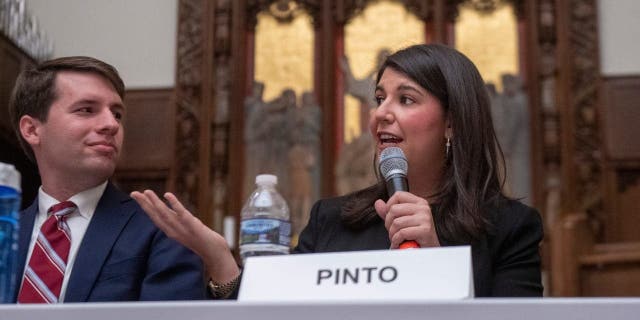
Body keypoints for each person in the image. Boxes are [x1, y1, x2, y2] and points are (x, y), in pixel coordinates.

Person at [131, 44, 543, 298]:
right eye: (379, 98)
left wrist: (434, 260)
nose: (381, 113)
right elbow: (269, 311)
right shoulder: (332, 220)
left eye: (406, 100)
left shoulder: (510, 229)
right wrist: (220, 258)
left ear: (453, 121)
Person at [8, 56, 205, 303]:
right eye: (86, 110)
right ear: (32, 130)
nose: (111, 124)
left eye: (117, 114)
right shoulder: (7, 232)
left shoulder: (163, 227)